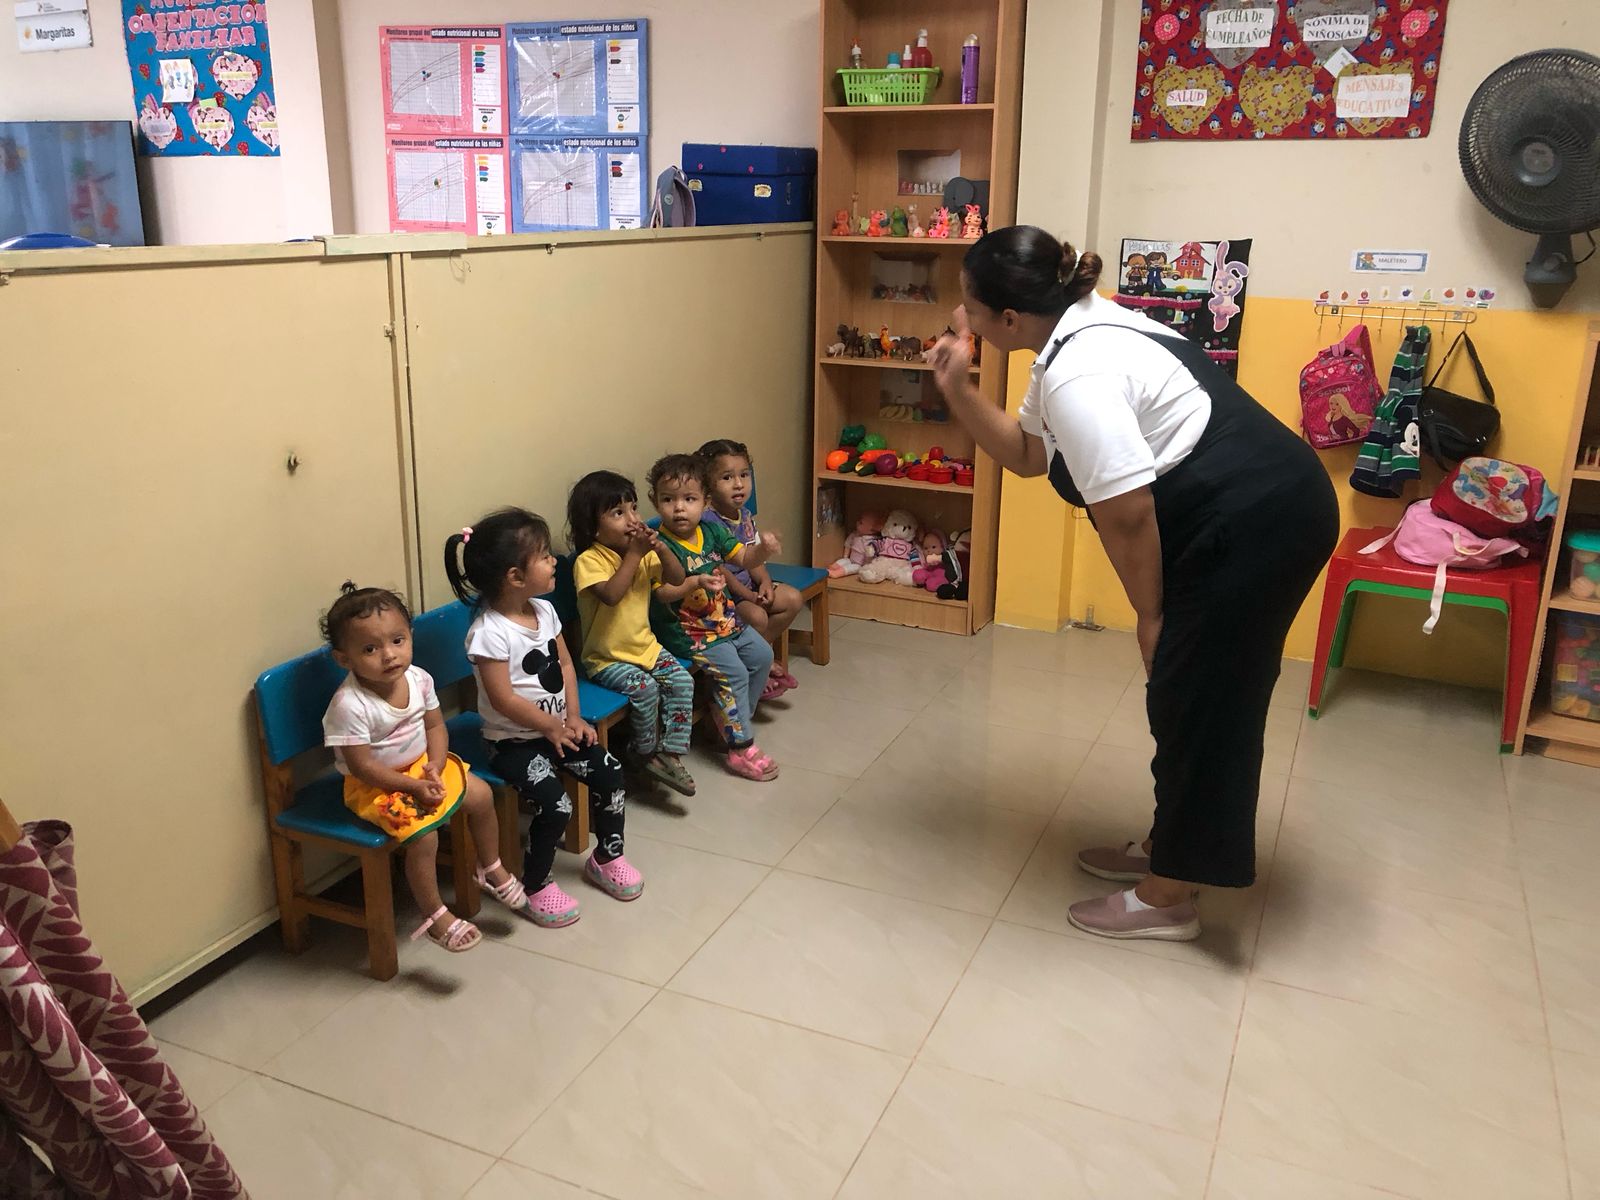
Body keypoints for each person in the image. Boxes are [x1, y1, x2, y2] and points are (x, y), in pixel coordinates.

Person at [926, 226, 1338, 941]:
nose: (961, 317)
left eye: (970, 306)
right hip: (1244, 506)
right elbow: (1028, 454)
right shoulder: (1075, 331)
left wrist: (1150, 616)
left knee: (1203, 697)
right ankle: (1171, 844)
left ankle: (1169, 894)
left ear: (1010, 319)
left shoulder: (1078, 373)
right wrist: (956, 388)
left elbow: (1127, 515)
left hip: (1261, 520)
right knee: (1186, 689)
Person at [444, 508, 643, 927]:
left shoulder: (545, 611)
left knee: (609, 771)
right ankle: (535, 885)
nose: (554, 560)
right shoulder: (489, 632)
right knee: (556, 806)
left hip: (559, 730)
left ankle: (607, 857)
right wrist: (550, 726)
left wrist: (573, 717)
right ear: (515, 576)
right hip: (513, 743)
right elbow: (502, 700)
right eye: (545, 556)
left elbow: (565, 666)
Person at [318, 582, 526, 952]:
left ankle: (490, 866)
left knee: (481, 796)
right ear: (344, 659)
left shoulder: (418, 678)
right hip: (375, 786)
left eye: (397, 640)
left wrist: (436, 764)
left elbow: (434, 727)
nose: (389, 655)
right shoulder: (349, 705)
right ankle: (434, 915)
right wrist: (412, 786)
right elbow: (362, 767)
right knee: (424, 836)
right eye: (370, 649)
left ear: (410, 636)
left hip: (421, 767)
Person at [646, 454, 781, 781]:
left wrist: (764, 549)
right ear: (655, 501)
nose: (679, 508)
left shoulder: (711, 531)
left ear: (705, 501)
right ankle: (740, 749)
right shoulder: (658, 544)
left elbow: (745, 557)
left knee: (763, 656)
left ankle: (729, 722)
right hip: (690, 634)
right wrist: (694, 582)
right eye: (668, 499)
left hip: (725, 622)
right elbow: (662, 593)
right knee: (734, 673)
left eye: (689, 499)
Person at [567, 469, 699, 797]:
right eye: (617, 513)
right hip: (606, 659)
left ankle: (669, 754)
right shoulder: (589, 561)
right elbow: (611, 595)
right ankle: (642, 753)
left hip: (645, 647)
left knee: (683, 681)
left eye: (634, 508)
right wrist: (637, 554)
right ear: (592, 527)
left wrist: (661, 549)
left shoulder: (639, 553)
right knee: (646, 690)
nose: (632, 520)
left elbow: (677, 578)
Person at [697, 438, 802, 698]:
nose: (739, 484)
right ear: (708, 485)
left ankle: (760, 657)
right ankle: (757, 666)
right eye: (727, 477)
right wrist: (749, 596)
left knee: (792, 599)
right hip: (726, 595)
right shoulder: (708, 522)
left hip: (749, 586)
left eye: (744, 475)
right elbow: (719, 570)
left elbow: (751, 554)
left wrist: (764, 582)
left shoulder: (743, 514)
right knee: (758, 617)